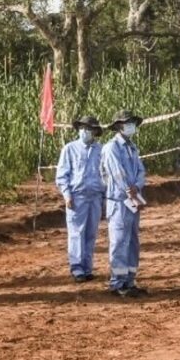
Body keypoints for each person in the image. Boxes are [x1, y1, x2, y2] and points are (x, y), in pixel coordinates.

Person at [55, 115, 106, 282]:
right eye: (83, 128)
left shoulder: (101, 150)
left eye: (89, 129)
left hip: (95, 196)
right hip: (77, 197)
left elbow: (105, 174)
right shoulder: (69, 149)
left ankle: (87, 267)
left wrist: (105, 198)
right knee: (76, 233)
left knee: (91, 233)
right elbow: (62, 175)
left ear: (94, 132)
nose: (85, 131)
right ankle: (77, 268)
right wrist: (67, 195)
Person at [101, 110, 147, 297]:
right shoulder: (111, 148)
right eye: (128, 123)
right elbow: (117, 173)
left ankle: (130, 280)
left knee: (132, 243)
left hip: (133, 200)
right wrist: (129, 189)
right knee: (119, 243)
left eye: (132, 123)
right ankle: (118, 282)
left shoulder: (132, 147)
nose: (131, 126)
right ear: (119, 126)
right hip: (119, 201)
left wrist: (137, 186)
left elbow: (141, 171)